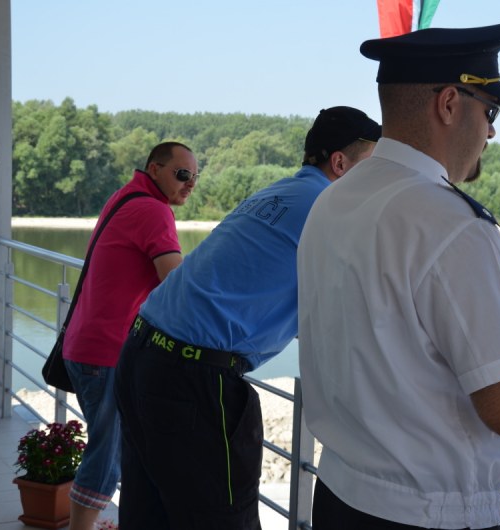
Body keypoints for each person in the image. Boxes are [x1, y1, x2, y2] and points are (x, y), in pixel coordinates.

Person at [297, 24, 500, 530]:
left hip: (340, 496)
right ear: (451, 104)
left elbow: (388, 338)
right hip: (428, 516)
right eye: (490, 111)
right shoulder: (453, 223)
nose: (491, 132)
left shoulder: (337, 198)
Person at [114, 106, 382, 529]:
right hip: (192, 378)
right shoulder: (333, 208)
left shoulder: (278, 193)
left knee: (150, 516)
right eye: (373, 165)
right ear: (340, 163)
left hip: (141, 354)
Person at [62, 141, 197, 530]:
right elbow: (175, 281)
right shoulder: (153, 209)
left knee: (115, 447)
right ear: (155, 169)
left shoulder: (126, 196)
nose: (190, 184)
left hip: (86, 344)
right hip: (106, 352)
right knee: (107, 456)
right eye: (182, 174)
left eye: (195, 176)